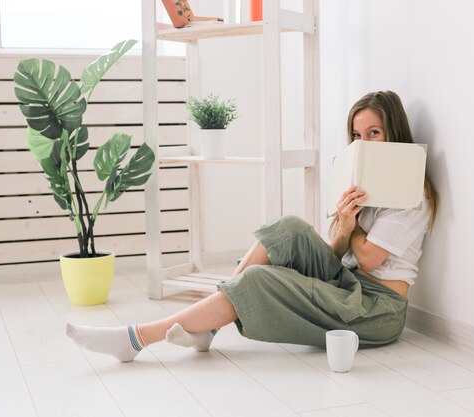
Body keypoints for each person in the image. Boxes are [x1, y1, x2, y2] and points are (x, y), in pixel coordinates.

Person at [66, 91, 438, 362]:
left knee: (259, 280)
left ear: (395, 133)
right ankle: (208, 326)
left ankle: (136, 339)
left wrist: (352, 225)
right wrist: (343, 224)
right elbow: (337, 253)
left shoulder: (413, 192)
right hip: (348, 283)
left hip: (377, 308)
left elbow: (371, 259)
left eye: (374, 133)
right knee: (288, 226)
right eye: (358, 136)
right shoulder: (364, 183)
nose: (365, 142)